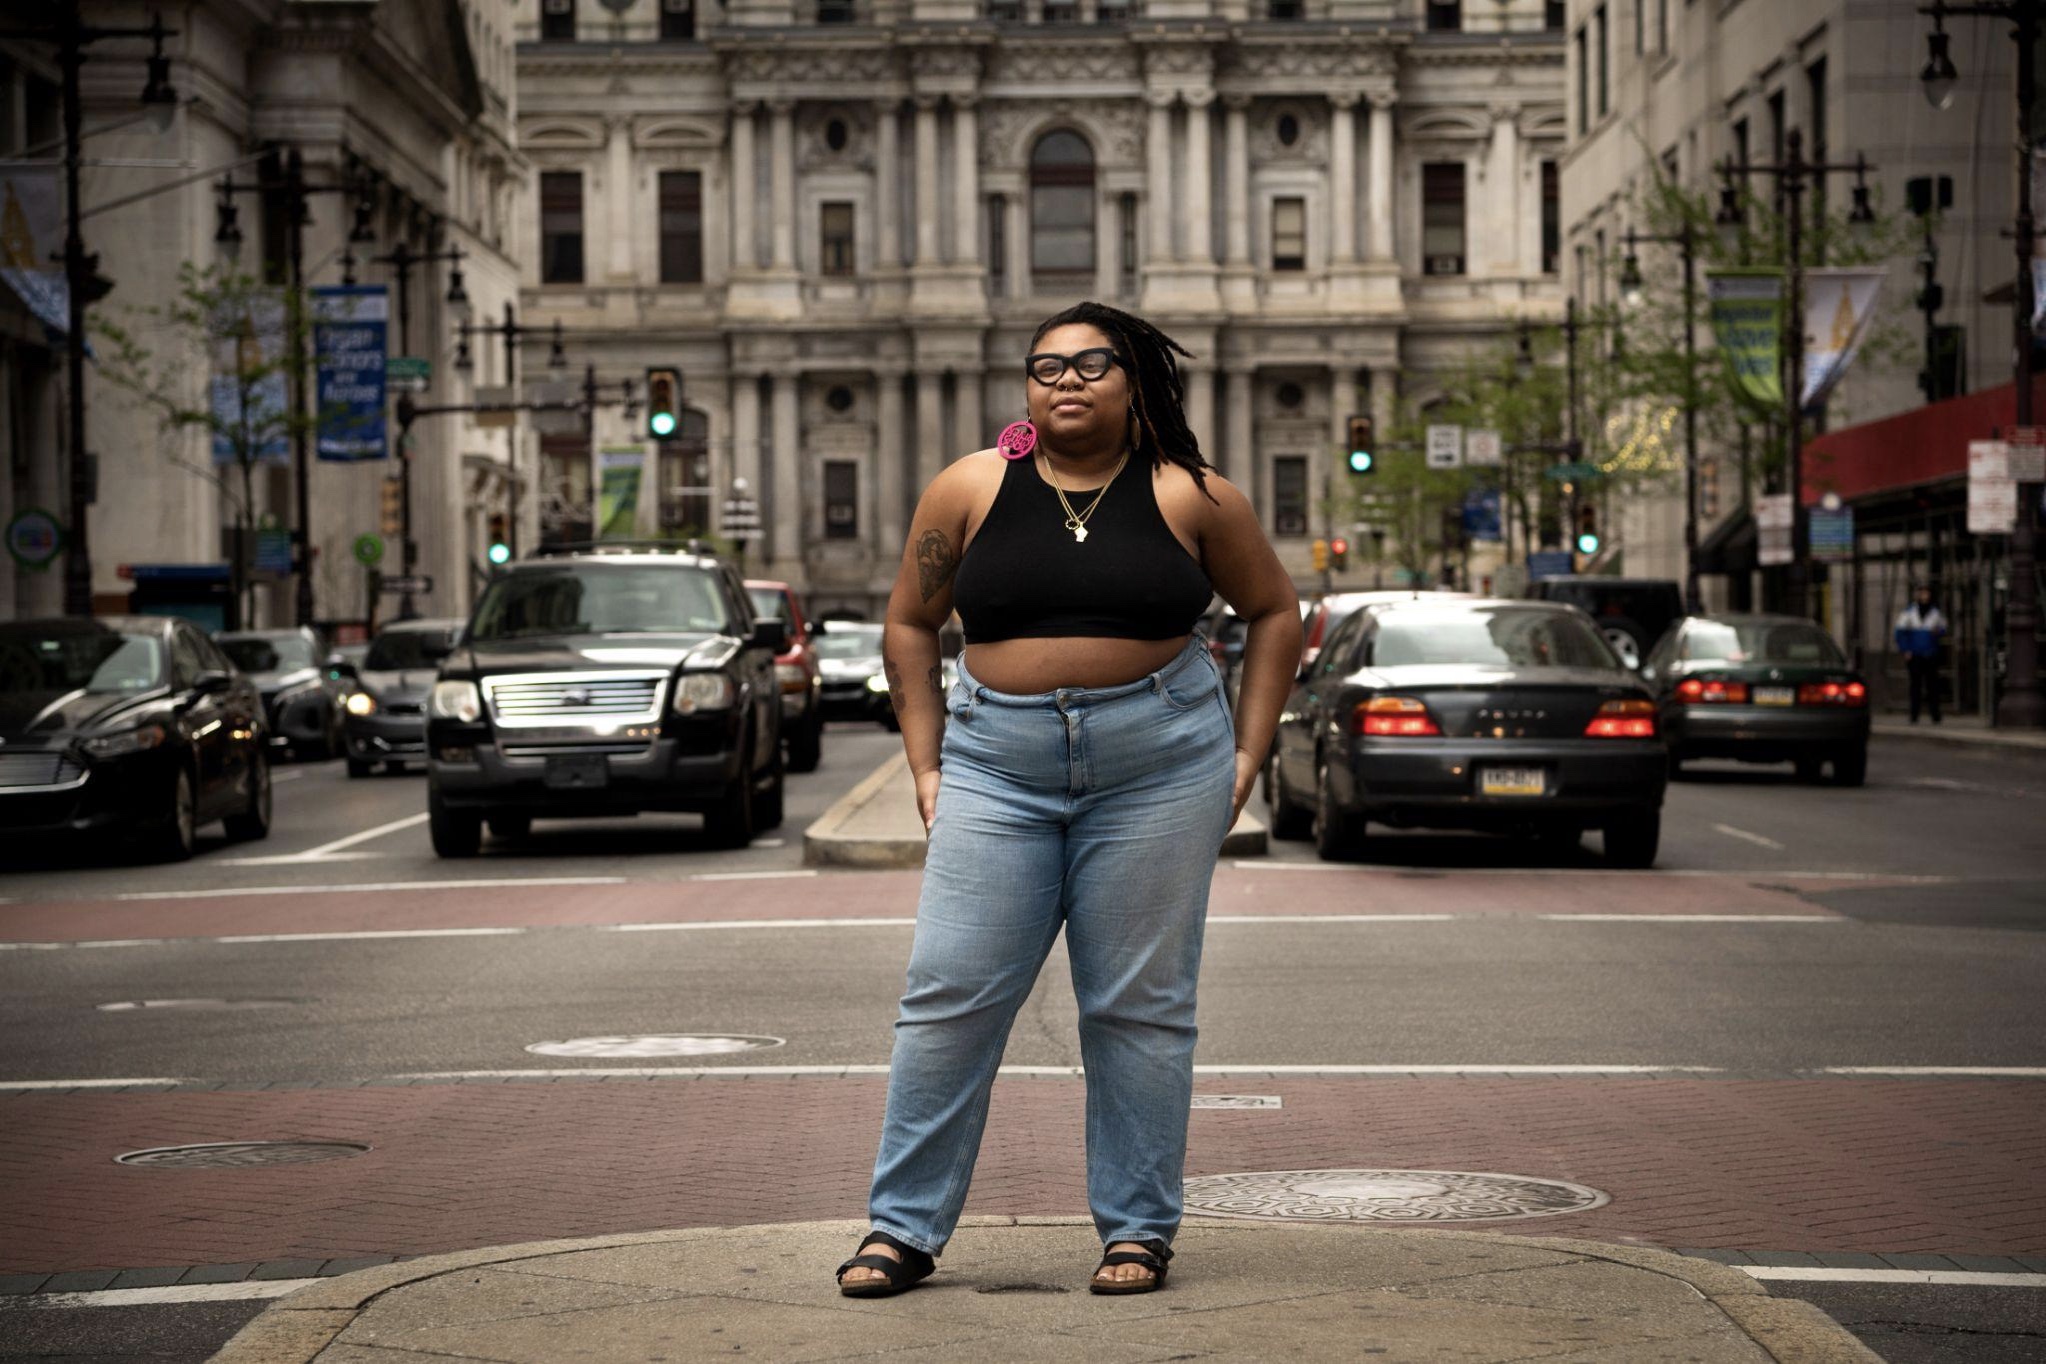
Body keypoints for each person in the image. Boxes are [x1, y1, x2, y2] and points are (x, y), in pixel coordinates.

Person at [835, 302, 1301, 1299]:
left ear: (1136, 382)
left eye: (1093, 364)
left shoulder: (1192, 494)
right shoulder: (970, 485)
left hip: (1160, 761)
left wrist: (1247, 756)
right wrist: (926, 766)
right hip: (996, 765)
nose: (1068, 381)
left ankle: (1137, 1228)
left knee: (1137, 1005)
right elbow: (912, 625)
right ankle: (901, 1226)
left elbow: (1274, 610)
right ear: (1026, 388)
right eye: (1047, 366)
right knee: (948, 994)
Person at [1894, 584, 1947, 724]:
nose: (1924, 596)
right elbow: (1900, 633)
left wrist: (1939, 632)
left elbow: (1943, 628)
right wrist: (1906, 650)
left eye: (1926, 593)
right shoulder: (1909, 612)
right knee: (1915, 686)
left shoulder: (1935, 612)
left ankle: (1935, 715)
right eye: (1922, 593)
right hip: (1915, 655)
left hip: (1930, 654)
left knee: (1933, 687)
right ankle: (1914, 715)